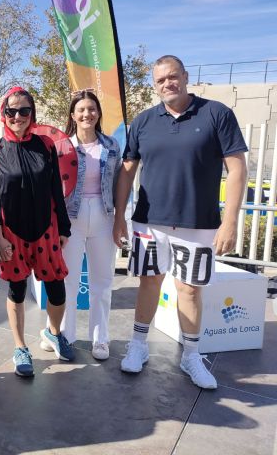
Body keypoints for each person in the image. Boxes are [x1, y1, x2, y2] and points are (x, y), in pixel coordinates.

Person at [113, 55, 248, 389]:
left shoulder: (217, 114)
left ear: (186, 77)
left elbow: (237, 168)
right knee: (148, 284)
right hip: (148, 222)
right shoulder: (143, 121)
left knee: (189, 290)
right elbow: (127, 171)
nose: (167, 84)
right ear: (154, 85)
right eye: (160, 80)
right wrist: (119, 217)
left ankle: (191, 355)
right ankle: (138, 346)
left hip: (198, 223)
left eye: (172, 77)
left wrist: (229, 221)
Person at [0, 86, 73, 378]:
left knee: (57, 290)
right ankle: (21, 346)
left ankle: (53, 332)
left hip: (46, 228)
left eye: (24, 110)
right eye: (12, 111)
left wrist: (64, 226)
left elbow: (55, 191)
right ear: (4, 114)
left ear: (32, 113)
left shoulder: (46, 145)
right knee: (17, 289)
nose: (18, 116)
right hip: (12, 233)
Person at [42, 90, 121, 360]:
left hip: (103, 214)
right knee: (68, 281)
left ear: (98, 113)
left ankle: (100, 339)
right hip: (70, 218)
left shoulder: (111, 146)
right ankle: (62, 334)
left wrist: (120, 220)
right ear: (73, 115)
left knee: (102, 281)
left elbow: (119, 184)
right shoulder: (61, 147)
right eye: (81, 109)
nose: (87, 114)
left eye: (92, 109)